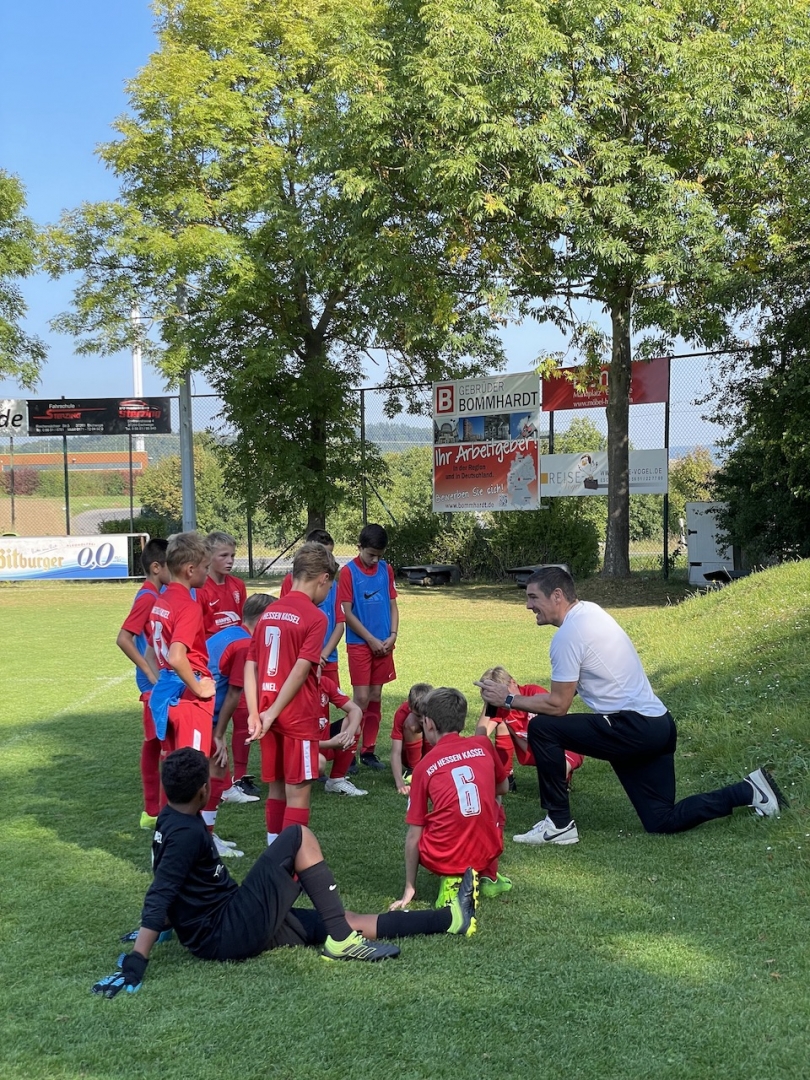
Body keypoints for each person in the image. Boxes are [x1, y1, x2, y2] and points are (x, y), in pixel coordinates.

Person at [91, 748, 478, 996]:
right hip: (227, 930)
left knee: (343, 918)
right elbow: (162, 890)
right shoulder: (188, 833)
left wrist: (165, 927)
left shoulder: (170, 818)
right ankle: (342, 943)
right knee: (297, 836)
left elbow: (171, 880)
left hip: (232, 921)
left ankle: (451, 919)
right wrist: (138, 958)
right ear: (203, 791)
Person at [476, 566, 789, 846]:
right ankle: (749, 791)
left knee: (544, 728)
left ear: (557, 595)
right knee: (660, 820)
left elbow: (558, 706)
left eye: (533, 597)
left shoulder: (568, 635)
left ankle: (558, 824)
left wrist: (507, 698)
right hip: (659, 725)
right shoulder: (590, 612)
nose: (528, 605)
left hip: (633, 727)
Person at [149, 532, 241, 859]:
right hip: (189, 699)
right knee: (193, 775)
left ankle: (172, 841)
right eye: (204, 566)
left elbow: (158, 653)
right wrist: (199, 686)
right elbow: (177, 656)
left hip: (167, 694)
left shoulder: (162, 600)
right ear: (190, 569)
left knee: (176, 772)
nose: (206, 572)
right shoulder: (187, 604)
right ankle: (188, 846)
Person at [244, 542, 335, 844]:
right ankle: (288, 860)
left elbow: (251, 664)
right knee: (298, 792)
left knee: (276, 788)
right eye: (329, 586)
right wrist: (272, 713)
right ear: (323, 578)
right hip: (296, 716)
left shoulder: (268, 612)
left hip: (266, 712)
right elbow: (300, 670)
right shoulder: (316, 617)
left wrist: (256, 713)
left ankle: (274, 851)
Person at [390, 688, 511, 908]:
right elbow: (503, 787)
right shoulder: (483, 744)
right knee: (495, 805)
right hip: (488, 850)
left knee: (424, 823)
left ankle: (452, 881)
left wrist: (409, 887)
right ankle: (487, 875)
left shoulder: (424, 766)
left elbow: (414, 834)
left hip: (444, 856)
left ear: (429, 724)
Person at [116, 537, 171, 829]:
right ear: (156, 567)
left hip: (156, 681)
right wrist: (149, 672)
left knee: (153, 743)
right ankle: (157, 811)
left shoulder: (154, 593)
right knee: (164, 745)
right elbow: (123, 638)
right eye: (171, 565)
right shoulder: (148, 597)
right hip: (154, 684)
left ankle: (151, 812)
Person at [337, 523, 399, 770]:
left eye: (379, 556)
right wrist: (369, 639)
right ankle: (348, 750)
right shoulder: (348, 572)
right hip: (360, 645)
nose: (375, 560)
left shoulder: (386, 570)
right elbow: (347, 612)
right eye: (371, 554)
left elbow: (393, 605)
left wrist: (392, 635)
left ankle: (368, 751)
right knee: (360, 699)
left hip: (384, 644)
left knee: (375, 697)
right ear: (359, 547)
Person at [474, 666, 584, 794]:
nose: (500, 697)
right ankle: (507, 777)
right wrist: (488, 704)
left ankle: (563, 780)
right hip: (534, 748)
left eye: (502, 692)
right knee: (501, 723)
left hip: (564, 745)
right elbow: (480, 738)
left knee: (556, 773)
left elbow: (557, 726)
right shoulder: (501, 707)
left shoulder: (534, 692)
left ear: (513, 683)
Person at [210, 592, 275, 803]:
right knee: (213, 743)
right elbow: (234, 692)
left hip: (192, 697)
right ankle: (225, 790)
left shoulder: (232, 633)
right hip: (202, 703)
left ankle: (225, 787)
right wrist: (220, 732)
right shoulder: (245, 645)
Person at [280, 529, 345, 686]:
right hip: (299, 660)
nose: (328, 562)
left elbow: (340, 624)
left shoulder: (333, 585)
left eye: (330, 555)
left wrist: (323, 655)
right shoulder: (292, 582)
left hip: (327, 659)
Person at [316, 676, 368, 796]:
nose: (317, 670)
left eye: (319, 667)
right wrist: (330, 744)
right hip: (301, 747)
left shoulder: (324, 683)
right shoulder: (294, 689)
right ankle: (287, 779)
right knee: (319, 764)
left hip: (322, 740)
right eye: (313, 667)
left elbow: (356, 710)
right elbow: (295, 740)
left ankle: (336, 780)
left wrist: (349, 734)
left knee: (353, 725)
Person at [197, 531, 248, 638]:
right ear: (209, 557)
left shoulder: (238, 584)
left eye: (232, 556)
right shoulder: (200, 588)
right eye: (224, 555)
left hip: (236, 642)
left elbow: (245, 621)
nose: (230, 561)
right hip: (211, 645)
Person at [389, 682, 433, 794]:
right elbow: (395, 752)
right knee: (411, 722)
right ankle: (414, 770)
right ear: (410, 707)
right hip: (409, 756)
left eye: (425, 715)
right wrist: (400, 784)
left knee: (432, 724)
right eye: (418, 715)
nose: (422, 719)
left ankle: (431, 765)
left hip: (434, 754)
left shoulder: (438, 709)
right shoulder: (402, 712)